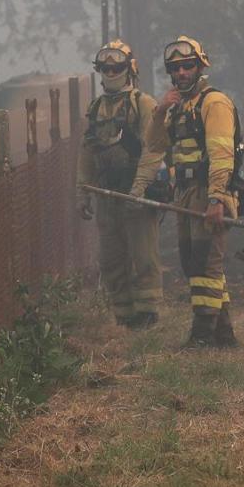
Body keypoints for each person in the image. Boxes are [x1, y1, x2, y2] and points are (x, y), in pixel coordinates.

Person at [128, 35, 240, 348]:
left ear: (200, 66)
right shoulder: (178, 106)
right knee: (196, 263)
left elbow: (222, 156)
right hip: (185, 193)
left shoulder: (214, 103)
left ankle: (202, 336)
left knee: (206, 263)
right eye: (175, 69)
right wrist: (160, 111)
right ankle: (224, 333)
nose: (181, 73)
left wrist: (217, 199)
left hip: (209, 191)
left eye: (187, 66)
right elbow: (155, 144)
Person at [78, 40, 163, 328]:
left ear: (130, 69)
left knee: (143, 255)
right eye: (105, 66)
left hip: (135, 193)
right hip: (106, 194)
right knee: (111, 258)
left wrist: (139, 188)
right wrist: (83, 190)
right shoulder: (95, 109)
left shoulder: (144, 104)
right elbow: (87, 151)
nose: (111, 71)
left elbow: (154, 149)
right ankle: (125, 318)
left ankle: (147, 315)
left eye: (117, 66)